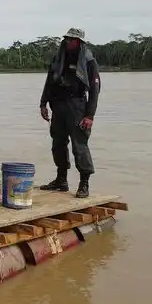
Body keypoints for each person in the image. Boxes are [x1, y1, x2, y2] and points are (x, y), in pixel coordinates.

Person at [38, 28, 100, 198]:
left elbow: (95, 89)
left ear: (79, 41)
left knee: (79, 146)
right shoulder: (59, 57)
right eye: (66, 38)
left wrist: (90, 115)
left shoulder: (88, 60)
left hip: (77, 105)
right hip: (58, 104)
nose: (68, 41)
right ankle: (61, 180)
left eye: (72, 39)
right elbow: (49, 81)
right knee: (58, 143)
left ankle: (84, 183)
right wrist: (43, 103)